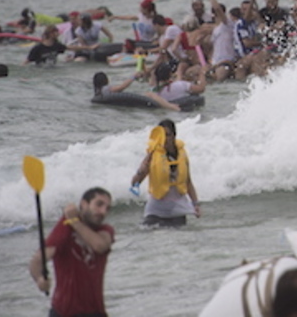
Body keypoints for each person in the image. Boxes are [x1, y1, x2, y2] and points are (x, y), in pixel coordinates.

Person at [28, 187, 115, 317]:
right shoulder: (65, 228)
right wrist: (40, 279)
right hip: (64, 312)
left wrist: (75, 221)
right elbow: (37, 260)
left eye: (107, 208)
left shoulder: (105, 230)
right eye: (99, 204)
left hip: (95, 312)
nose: (103, 211)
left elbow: (100, 246)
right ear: (84, 204)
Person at [130, 119, 202, 227]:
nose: (164, 139)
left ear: (174, 136)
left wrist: (195, 204)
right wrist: (141, 169)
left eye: (167, 135)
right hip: (156, 211)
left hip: (178, 210)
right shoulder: (153, 155)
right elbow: (135, 183)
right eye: (162, 135)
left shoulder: (182, 154)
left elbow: (188, 182)